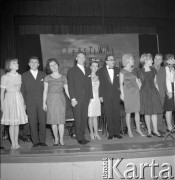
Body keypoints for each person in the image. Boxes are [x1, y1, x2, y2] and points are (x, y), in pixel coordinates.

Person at [1, 58, 28, 149]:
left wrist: (23, 102)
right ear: (9, 66)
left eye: (17, 63)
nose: (17, 64)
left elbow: (21, 90)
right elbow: (2, 92)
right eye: (14, 63)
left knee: (17, 123)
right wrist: (2, 104)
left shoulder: (20, 76)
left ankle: (16, 142)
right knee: (12, 123)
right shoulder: (5, 77)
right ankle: (13, 144)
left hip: (18, 99)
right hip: (9, 99)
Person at [67, 52, 93, 145]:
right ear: (76, 59)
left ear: (85, 59)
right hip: (77, 99)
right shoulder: (71, 70)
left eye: (83, 57)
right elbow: (70, 86)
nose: (81, 59)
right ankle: (80, 138)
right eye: (80, 57)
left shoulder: (88, 70)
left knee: (84, 118)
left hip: (86, 98)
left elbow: (89, 85)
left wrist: (90, 97)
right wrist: (72, 99)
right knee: (78, 118)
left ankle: (82, 135)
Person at [21, 56, 47, 147]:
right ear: (29, 64)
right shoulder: (24, 76)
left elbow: (46, 90)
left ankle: (42, 141)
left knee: (42, 122)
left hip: (42, 103)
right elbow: (22, 91)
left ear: (38, 64)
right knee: (32, 122)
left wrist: (46, 102)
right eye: (31, 62)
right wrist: (23, 103)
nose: (33, 64)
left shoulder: (43, 74)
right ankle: (35, 142)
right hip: (30, 103)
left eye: (36, 62)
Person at [43, 58, 70, 146]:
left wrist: (72, 99)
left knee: (61, 121)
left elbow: (67, 91)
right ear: (49, 67)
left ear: (58, 65)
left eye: (55, 64)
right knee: (53, 121)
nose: (53, 66)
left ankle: (61, 139)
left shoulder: (63, 77)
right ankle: (56, 138)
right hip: (50, 99)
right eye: (51, 65)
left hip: (60, 99)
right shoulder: (47, 77)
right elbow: (45, 91)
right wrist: (44, 102)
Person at [120, 54, 145, 138]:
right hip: (127, 93)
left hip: (135, 92)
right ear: (127, 60)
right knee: (128, 112)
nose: (133, 61)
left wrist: (140, 90)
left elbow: (138, 81)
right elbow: (120, 84)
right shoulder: (122, 71)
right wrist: (122, 94)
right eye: (132, 59)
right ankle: (129, 130)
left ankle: (138, 129)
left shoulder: (134, 70)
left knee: (137, 111)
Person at [138, 53, 163, 138]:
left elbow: (155, 82)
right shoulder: (140, 71)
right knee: (147, 113)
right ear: (146, 60)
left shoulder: (153, 69)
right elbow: (139, 84)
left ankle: (155, 130)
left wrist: (158, 92)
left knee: (154, 112)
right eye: (151, 59)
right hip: (144, 92)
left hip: (153, 92)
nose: (152, 61)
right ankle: (149, 131)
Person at [98, 54, 122, 140]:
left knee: (116, 114)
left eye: (113, 59)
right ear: (106, 61)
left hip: (116, 95)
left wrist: (121, 93)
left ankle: (117, 132)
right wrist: (100, 95)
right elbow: (100, 84)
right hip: (106, 95)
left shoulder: (118, 70)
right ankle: (111, 133)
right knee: (108, 114)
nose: (113, 61)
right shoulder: (100, 71)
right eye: (111, 59)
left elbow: (120, 83)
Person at [88, 59, 101, 140]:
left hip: (97, 98)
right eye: (93, 66)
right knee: (90, 116)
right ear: (90, 67)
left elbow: (100, 88)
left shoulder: (99, 77)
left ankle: (96, 133)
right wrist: (88, 97)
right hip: (90, 98)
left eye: (96, 66)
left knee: (95, 116)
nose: (95, 68)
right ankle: (91, 133)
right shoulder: (87, 76)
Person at [153, 54, 166, 134]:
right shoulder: (149, 68)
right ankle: (152, 129)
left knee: (160, 111)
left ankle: (159, 127)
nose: (157, 60)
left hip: (161, 93)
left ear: (162, 61)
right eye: (155, 58)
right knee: (152, 111)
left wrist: (167, 92)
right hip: (152, 93)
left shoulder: (164, 69)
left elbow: (165, 82)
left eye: (159, 59)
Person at [163, 54, 175, 132]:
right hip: (168, 89)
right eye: (172, 59)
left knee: (172, 108)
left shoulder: (173, 69)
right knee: (169, 109)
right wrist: (169, 91)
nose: (174, 60)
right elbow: (166, 80)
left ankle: (171, 125)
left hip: (173, 87)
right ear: (167, 61)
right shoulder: (165, 69)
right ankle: (169, 127)